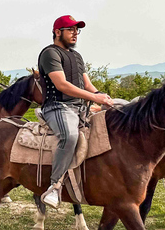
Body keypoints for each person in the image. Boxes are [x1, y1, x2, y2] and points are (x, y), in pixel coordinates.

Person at [39, 16, 113, 209]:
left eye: (76, 30)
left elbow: (87, 84)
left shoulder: (76, 56)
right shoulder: (50, 53)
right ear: (57, 32)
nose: (75, 34)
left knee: (121, 111)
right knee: (70, 137)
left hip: (79, 108)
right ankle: (54, 186)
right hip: (57, 107)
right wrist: (94, 98)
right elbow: (62, 85)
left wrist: (102, 96)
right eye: (70, 29)